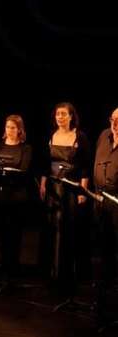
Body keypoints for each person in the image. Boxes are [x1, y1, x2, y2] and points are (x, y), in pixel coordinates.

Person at [39, 102, 91, 292]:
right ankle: (53, 275)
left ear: (71, 116)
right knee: (53, 230)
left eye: (63, 114)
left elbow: (85, 166)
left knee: (68, 231)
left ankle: (67, 278)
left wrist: (82, 191)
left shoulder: (80, 136)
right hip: (54, 187)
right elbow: (45, 164)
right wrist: (43, 184)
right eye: (57, 114)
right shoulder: (51, 136)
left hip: (71, 188)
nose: (59, 117)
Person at [0, 115, 32, 290]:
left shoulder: (25, 148)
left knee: (15, 234)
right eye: (8, 127)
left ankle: (13, 269)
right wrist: (4, 175)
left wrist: (5, 175)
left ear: (20, 130)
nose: (10, 130)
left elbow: (24, 172)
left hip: (17, 197)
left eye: (13, 128)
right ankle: (4, 268)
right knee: (2, 234)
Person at [93, 107, 118, 325]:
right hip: (101, 202)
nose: (115, 124)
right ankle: (102, 303)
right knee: (103, 253)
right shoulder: (104, 136)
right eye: (113, 119)